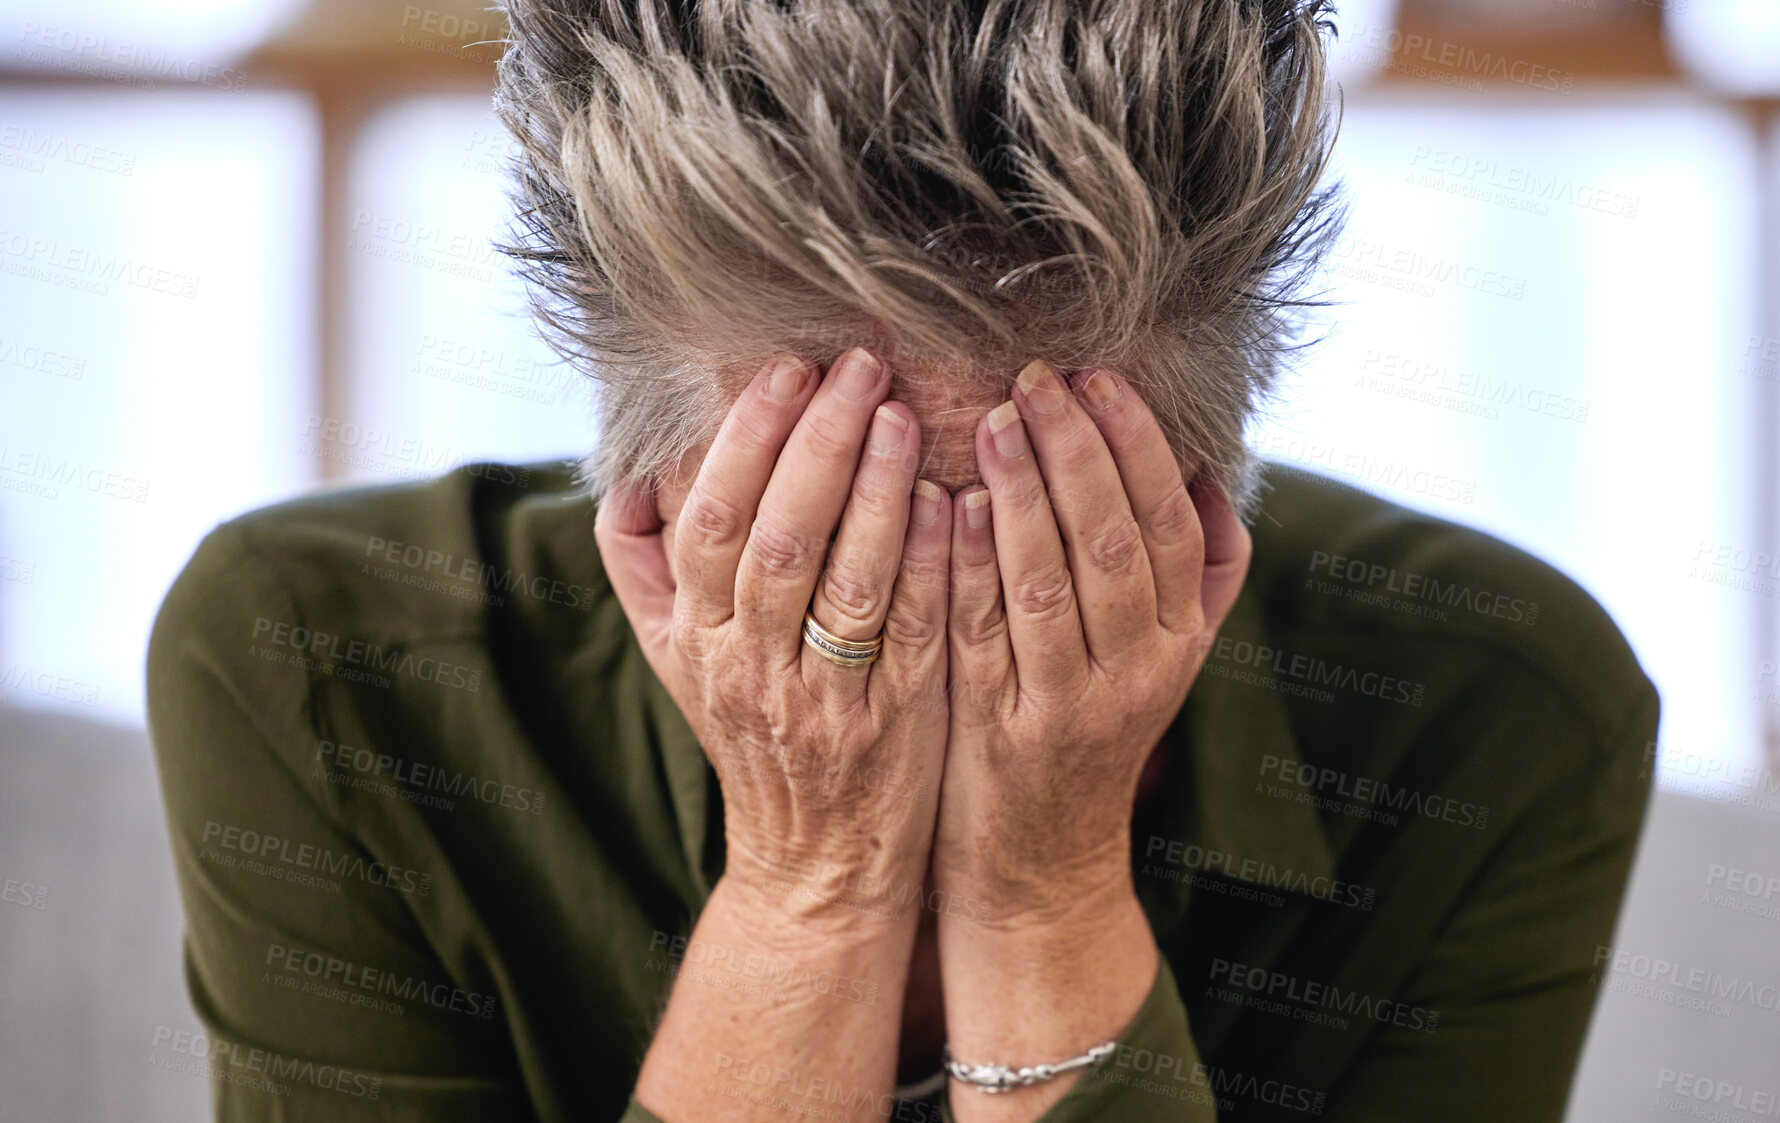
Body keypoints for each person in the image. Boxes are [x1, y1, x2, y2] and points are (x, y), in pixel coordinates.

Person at [146, 2, 1659, 1120]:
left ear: (1201, 516)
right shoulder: (317, 660)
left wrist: (1046, 889)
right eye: (821, 545)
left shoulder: (1491, 703)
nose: (899, 627)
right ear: (648, 509)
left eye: (1025, 544)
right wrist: (811, 883)